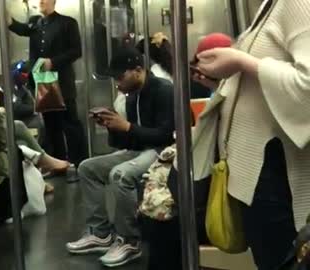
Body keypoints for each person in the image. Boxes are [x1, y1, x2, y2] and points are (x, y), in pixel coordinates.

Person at [191, 0, 310, 269]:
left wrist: (242, 61)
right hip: (254, 176)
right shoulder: (270, 7)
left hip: (278, 176)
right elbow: (261, 85)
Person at [66, 48, 175, 267]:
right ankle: (100, 232)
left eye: (120, 77)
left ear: (138, 70)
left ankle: (129, 240)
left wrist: (126, 126)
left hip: (163, 151)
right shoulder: (132, 95)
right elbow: (129, 142)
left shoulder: (165, 90)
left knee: (120, 174)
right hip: (140, 150)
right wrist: (112, 127)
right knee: (87, 168)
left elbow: (166, 134)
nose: (117, 83)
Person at [0, 59, 69, 192]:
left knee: (19, 129)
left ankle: (41, 172)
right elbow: (2, 139)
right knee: (21, 142)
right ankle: (40, 173)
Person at [8, 0, 88, 178]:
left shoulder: (68, 23)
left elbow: (76, 51)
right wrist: (8, 20)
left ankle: (80, 164)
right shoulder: (36, 22)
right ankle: (58, 165)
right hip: (43, 81)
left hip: (62, 82)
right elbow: (21, 29)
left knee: (71, 124)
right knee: (52, 126)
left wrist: (53, 61)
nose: (41, 2)